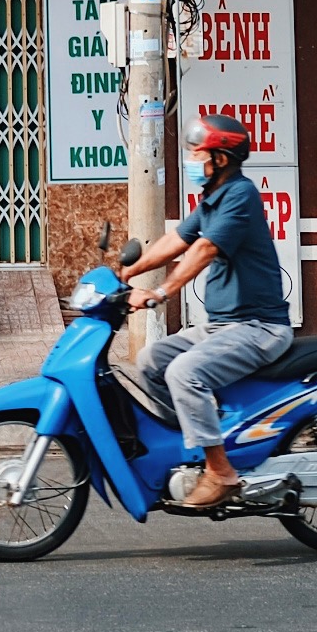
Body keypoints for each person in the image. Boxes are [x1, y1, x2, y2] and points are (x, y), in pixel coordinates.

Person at [120, 112, 292, 510]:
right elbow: (177, 240)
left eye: (199, 153)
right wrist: (125, 272)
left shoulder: (240, 194)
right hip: (223, 327)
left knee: (184, 372)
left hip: (258, 327)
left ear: (222, 158)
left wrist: (159, 292)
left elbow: (204, 249)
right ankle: (195, 449)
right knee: (150, 361)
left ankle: (221, 472)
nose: (192, 160)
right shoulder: (213, 198)